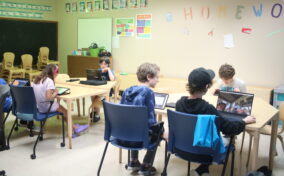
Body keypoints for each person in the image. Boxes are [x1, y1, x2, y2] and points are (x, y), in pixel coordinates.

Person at [175, 67, 256, 176]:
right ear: (206, 87)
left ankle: (203, 169)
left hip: (184, 147)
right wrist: (244, 121)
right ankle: (204, 168)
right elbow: (230, 128)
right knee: (228, 136)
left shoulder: (179, 103)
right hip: (206, 149)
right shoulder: (208, 109)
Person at [120, 63, 163, 175]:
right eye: (157, 77)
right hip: (141, 136)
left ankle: (133, 161)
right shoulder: (148, 93)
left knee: (135, 125)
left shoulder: (126, 91)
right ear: (149, 77)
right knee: (158, 131)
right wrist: (160, 129)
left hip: (124, 134)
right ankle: (146, 165)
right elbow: (151, 121)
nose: (158, 80)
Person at [32, 64, 88, 137]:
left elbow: (40, 92)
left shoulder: (37, 79)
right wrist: (55, 92)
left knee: (62, 111)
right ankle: (74, 129)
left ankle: (73, 126)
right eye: (57, 71)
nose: (58, 73)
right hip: (46, 107)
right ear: (53, 72)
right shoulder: (49, 81)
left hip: (38, 107)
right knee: (66, 112)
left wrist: (51, 91)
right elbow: (49, 98)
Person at [90, 56, 115, 122]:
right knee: (92, 95)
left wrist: (109, 70)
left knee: (97, 99)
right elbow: (94, 79)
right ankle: (95, 110)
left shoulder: (110, 71)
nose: (103, 65)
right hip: (99, 90)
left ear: (108, 64)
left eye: (105, 64)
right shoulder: (98, 71)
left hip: (106, 92)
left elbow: (112, 79)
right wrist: (100, 72)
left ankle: (97, 115)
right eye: (101, 64)